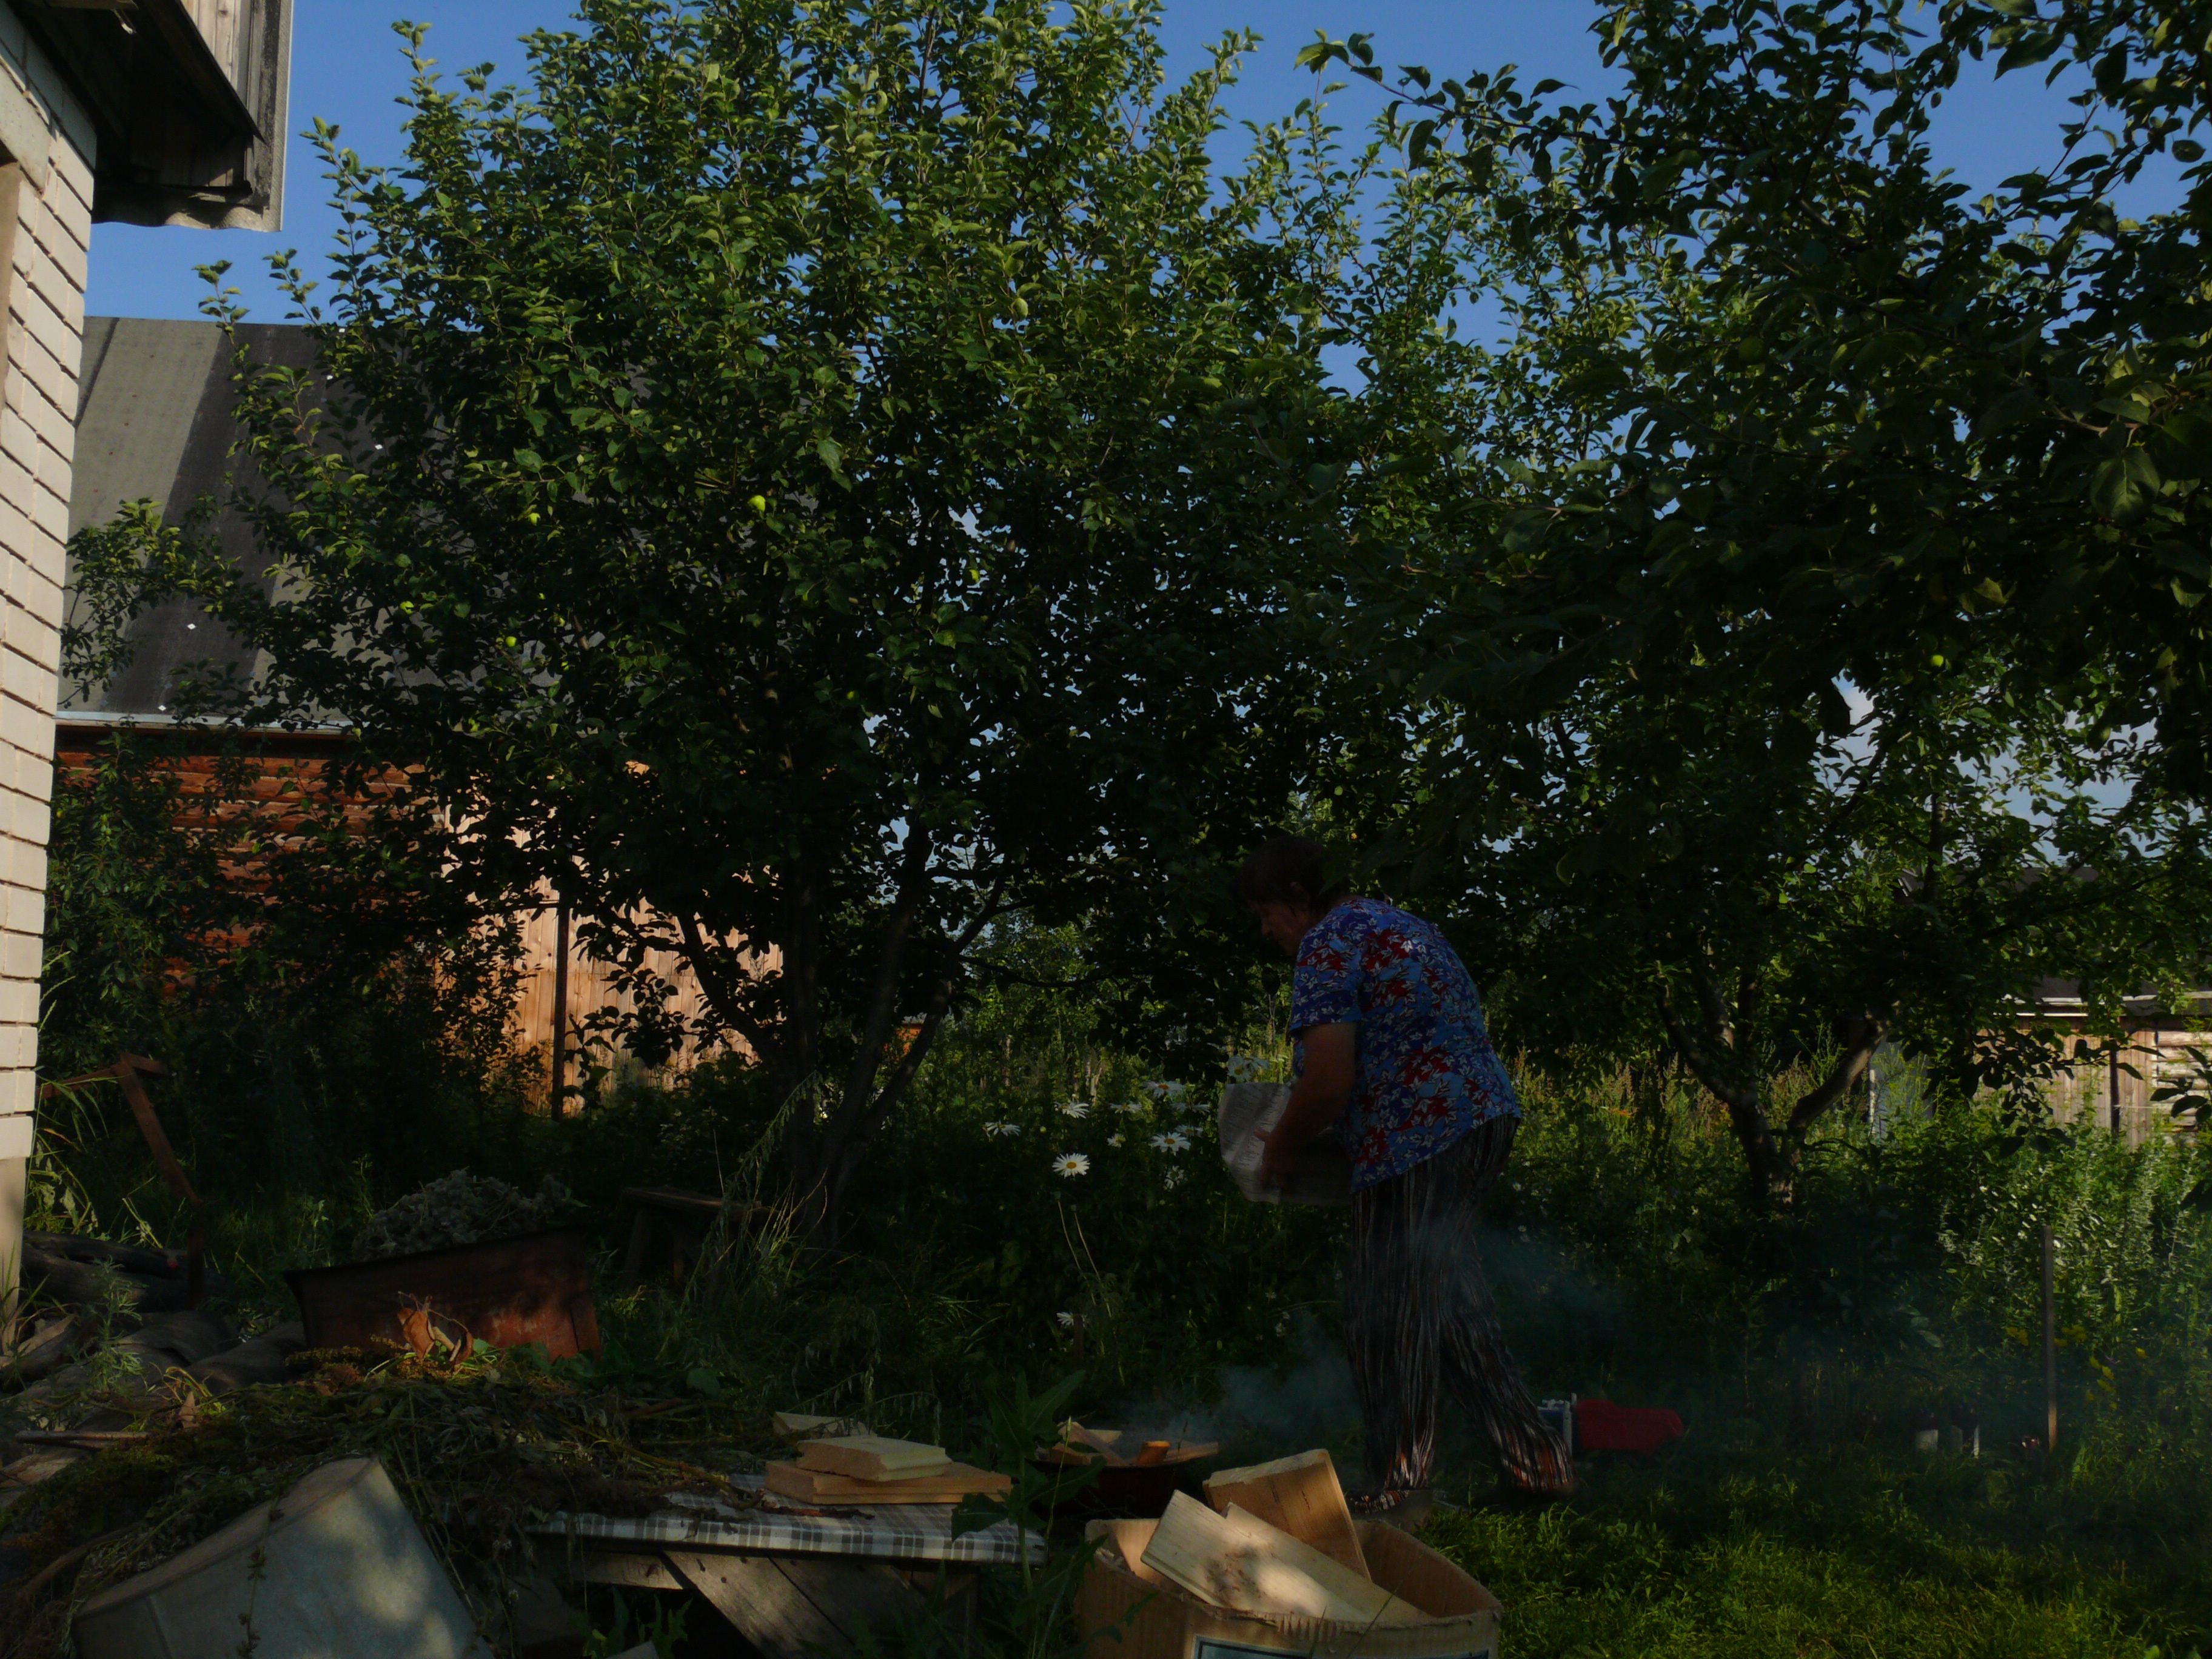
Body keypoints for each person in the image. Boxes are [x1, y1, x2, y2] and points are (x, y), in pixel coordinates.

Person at [1235, 833, 1572, 1510]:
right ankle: (1538, 1468)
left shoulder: (1327, 942)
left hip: (1417, 1138)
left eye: (1266, 913)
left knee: (1384, 1312)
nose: (1267, 931)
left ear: (1297, 896)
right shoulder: (1402, 926)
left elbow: (1329, 1080)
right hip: (1480, 1120)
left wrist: (1281, 1149)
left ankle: (1398, 1493)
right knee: (1450, 1308)